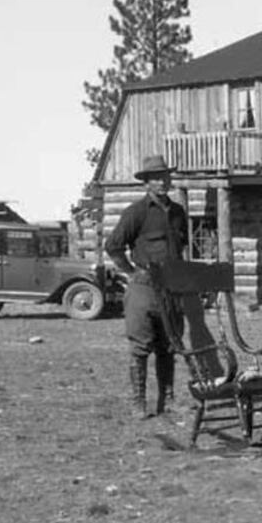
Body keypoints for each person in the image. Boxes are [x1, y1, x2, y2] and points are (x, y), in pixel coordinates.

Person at [106, 154, 188, 420]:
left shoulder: (178, 213)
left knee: (170, 345)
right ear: (147, 183)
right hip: (143, 289)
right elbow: (113, 245)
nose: (162, 182)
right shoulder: (136, 213)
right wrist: (130, 272)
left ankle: (169, 399)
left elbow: (181, 247)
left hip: (171, 289)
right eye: (155, 178)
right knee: (141, 347)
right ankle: (138, 402)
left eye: (165, 177)